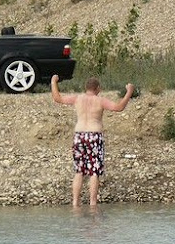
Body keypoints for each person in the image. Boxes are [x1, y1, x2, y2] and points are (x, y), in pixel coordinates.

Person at [51, 75, 135, 208]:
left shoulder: (77, 98)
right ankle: (93, 203)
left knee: (79, 171)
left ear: (86, 88)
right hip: (94, 135)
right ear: (98, 88)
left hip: (79, 135)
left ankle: (75, 203)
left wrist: (53, 82)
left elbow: (58, 98)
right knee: (94, 172)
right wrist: (129, 92)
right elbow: (119, 107)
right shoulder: (100, 100)